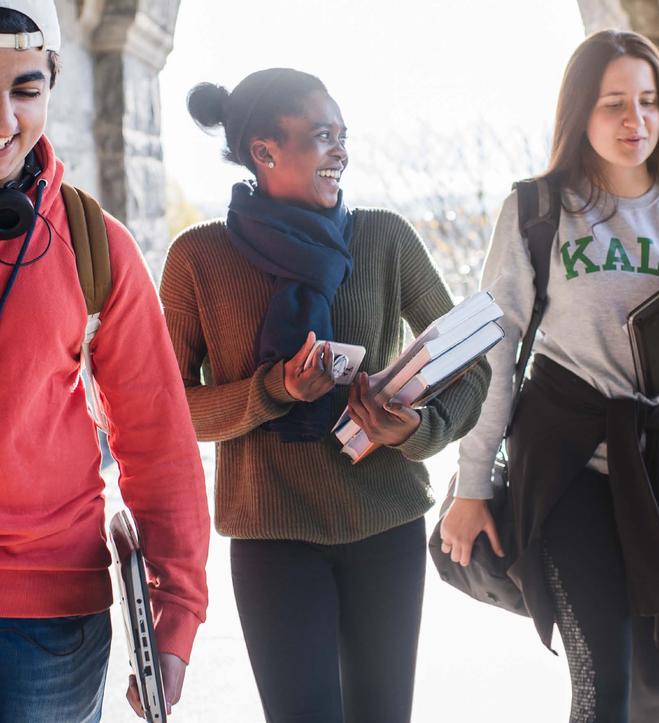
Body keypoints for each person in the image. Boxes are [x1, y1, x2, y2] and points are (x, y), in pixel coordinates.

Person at [160, 67, 490, 722]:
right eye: (321, 136)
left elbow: (473, 362)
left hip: (386, 524)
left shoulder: (385, 237)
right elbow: (169, 406)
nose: (341, 151)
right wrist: (273, 388)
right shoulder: (198, 257)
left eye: (342, 135)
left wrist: (417, 427)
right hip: (272, 535)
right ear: (264, 150)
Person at [0, 2, 211, 722]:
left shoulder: (94, 243)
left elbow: (156, 437)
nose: (3, 117)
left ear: (51, 83)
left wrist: (175, 615)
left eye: (25, 88)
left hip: (52, 624)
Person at [440, 29, 659, 722]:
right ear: (580, 113)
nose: (635, 122)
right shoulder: (539, 209)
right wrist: (473, 484)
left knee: (656, 686)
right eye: (613, 105)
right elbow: (497, 353)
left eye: (648, 102)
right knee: (603, 681)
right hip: (569, 462)